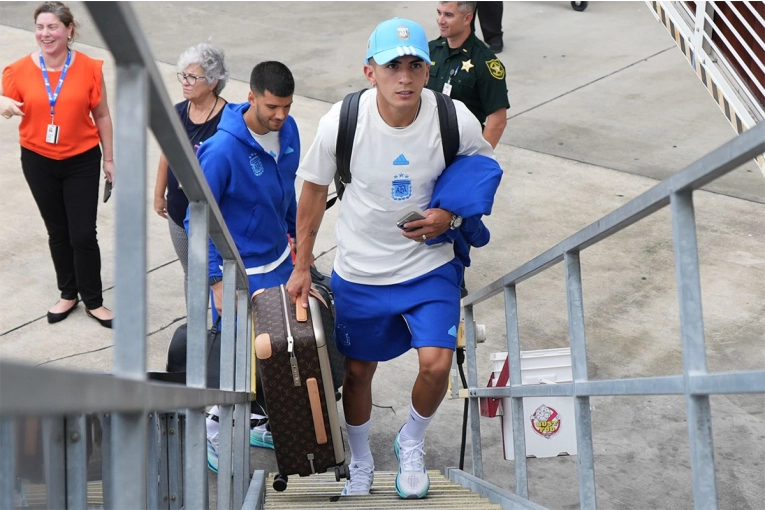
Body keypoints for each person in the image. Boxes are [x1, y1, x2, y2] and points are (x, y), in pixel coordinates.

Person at [286, 18, 495, 499]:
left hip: (430, 266)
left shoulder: (453, 117)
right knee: (358, 373)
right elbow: (313, 191)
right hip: (361, 269)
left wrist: (449, 215)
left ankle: (411, 441)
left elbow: (482, 169)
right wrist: (302, 265)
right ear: (369, 71)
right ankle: (360, 460)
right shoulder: (343, 120)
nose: (404, 76)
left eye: (415, 65)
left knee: (437, 365)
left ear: (428, 71)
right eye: (392, 66)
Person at [185, 61, 300, 472]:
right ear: (250, 97)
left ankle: (260, 420)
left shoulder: (289, 131)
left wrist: (299, 244)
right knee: (238, 361)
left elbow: (287, 194)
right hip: (241, 273)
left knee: (281, 353)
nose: (280, 116)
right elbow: (196, 217)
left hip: (283, 264)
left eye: (286, 106)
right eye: (272, 106)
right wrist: (216, 277)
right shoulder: (221, 150)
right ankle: (211, 431)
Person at [1, 1, 114, 328]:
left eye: (52, 27)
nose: (45, 34)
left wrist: (110, 158)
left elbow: (103, 115)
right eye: (40, 27)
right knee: (58, 231)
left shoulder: (90, 68)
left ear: (69, 30)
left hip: (81, 160)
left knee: (82, 233)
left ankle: (93, 300)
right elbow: (2, 101)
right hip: (38, 161)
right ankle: (68, 293)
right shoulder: (18, 70)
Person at [153, 43, 228, 306]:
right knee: (191, 273)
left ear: (212, 82)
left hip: (213, 215)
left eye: (192, 77)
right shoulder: (177, 112)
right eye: (183, 75)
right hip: (178, 211)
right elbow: (167, 153)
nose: (185, 82)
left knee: (216, 275)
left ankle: (219, 329)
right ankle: (195, 331)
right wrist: (159, 194)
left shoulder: (227, 121)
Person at [428, 0, 510, 148]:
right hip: (426, 144)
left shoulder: (485, 62)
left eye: (448, 15)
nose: (441, 20)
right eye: (439, 13)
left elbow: (498, 120)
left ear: (467, 19)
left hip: (461, 149)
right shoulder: (430, 51)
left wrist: (477, 160)